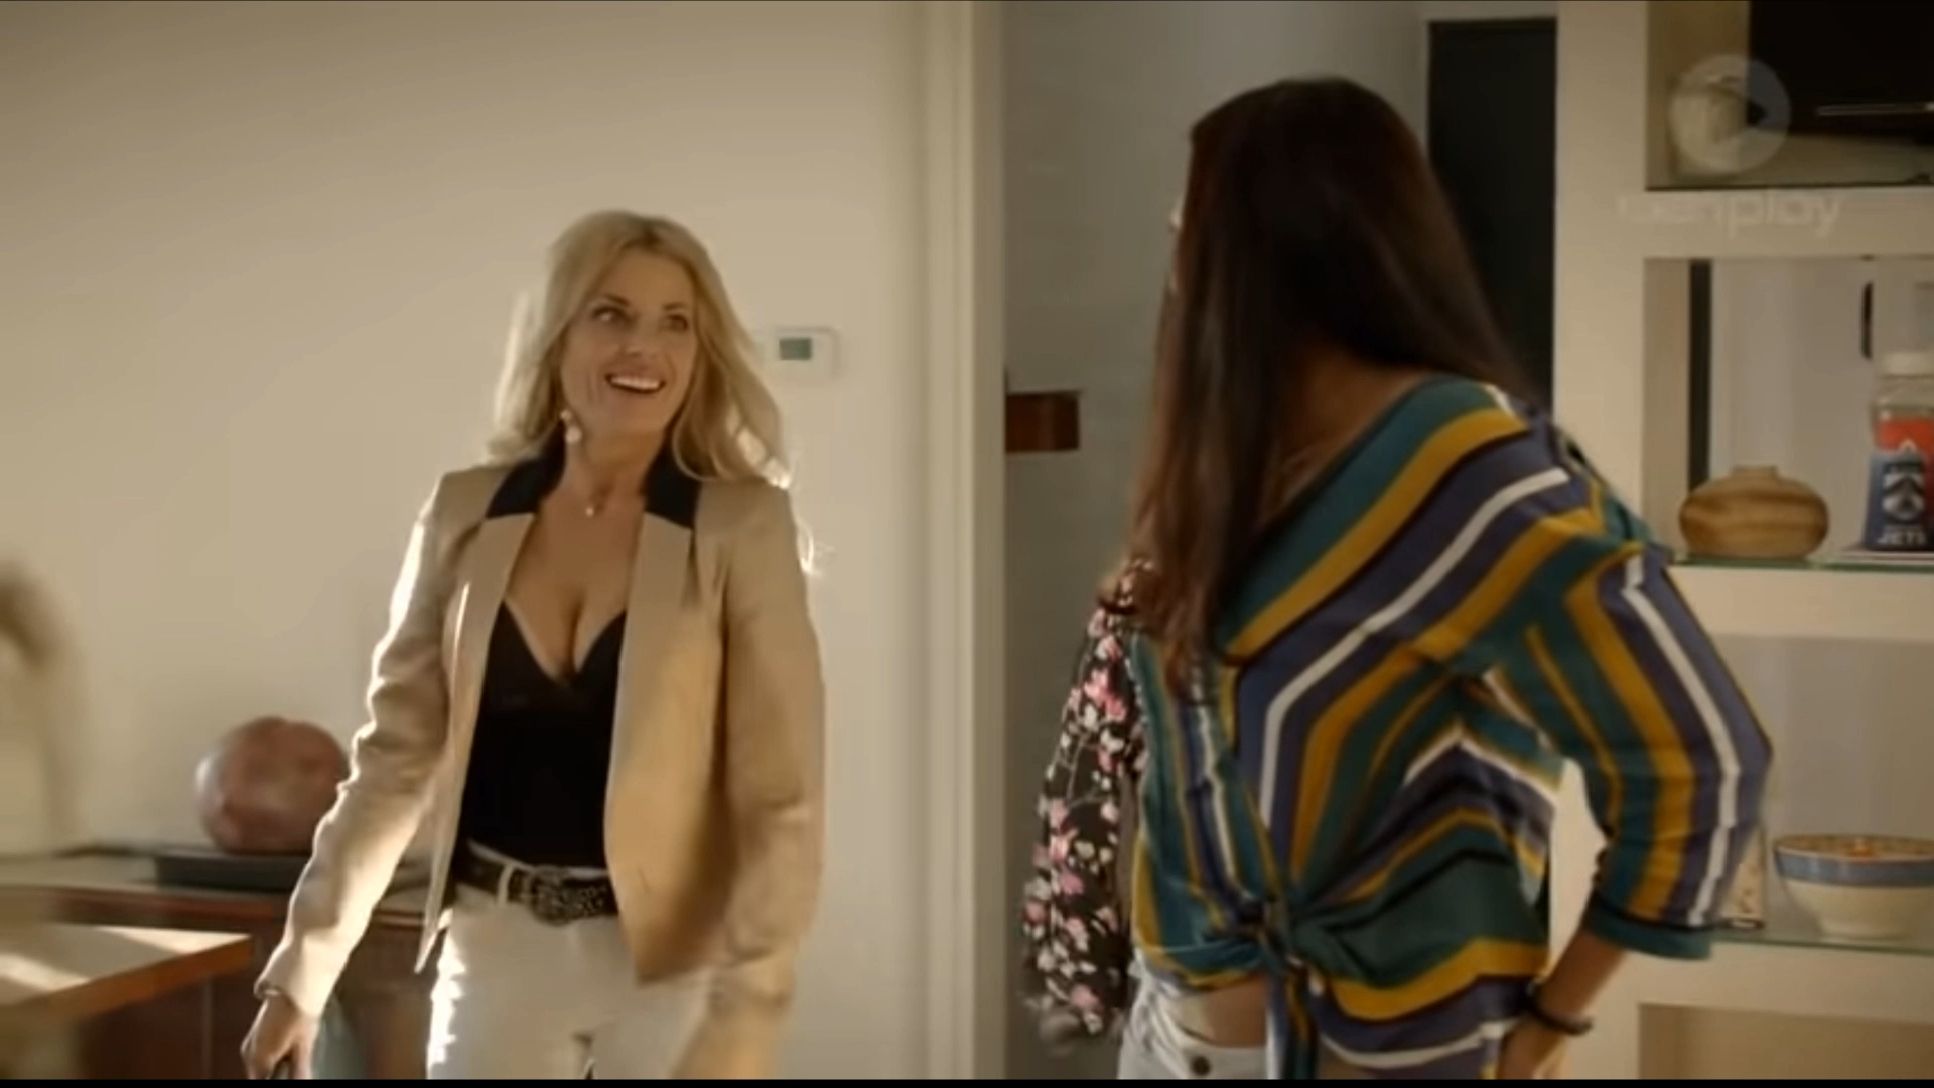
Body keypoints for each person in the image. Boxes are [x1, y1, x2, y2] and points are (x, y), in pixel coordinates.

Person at [1114, 78, 1774, 1079]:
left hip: (1373, 1050)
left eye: (1189, 231)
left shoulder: (1463, 460)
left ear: (1277, 249)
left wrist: (1549, 1024)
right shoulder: (1240, 456)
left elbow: (1701, 758)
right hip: (1174, 1036)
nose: (1173, 267)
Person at [240, 211, 826, 1080]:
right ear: (559, 334)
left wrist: (753, 1003)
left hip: (679, 959)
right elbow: (394, 761)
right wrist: (303, 972)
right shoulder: (466, 513)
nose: (644, 347)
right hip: (499, 942)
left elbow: (780, 799)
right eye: (612, 314)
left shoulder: (741, 526)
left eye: (675, 323)